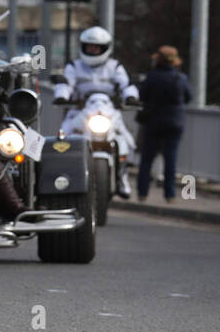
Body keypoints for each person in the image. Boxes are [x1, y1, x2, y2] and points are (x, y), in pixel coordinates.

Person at [54, 25, 139, 199]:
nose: (93, 50)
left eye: (97, 47)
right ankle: (62, 176)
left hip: (109, 111)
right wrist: (61, 96)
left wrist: (131, 97)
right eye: (89, 47)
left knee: (128, 141)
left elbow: (127, 85)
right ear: (83, 47)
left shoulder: (115, 67)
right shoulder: (74, 65)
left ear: (105, 48)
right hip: (80, 110)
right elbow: (65, 83)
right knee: (62, 137)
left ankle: (123, 177)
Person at [135, 46, 193, 202]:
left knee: (147, 158)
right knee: (170, 158)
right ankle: (170, 195)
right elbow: (188, 97)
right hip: (175, 122)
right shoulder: (181, 78)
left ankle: (142, 192)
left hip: (153, 122)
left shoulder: (152, 77)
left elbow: (142, 96)